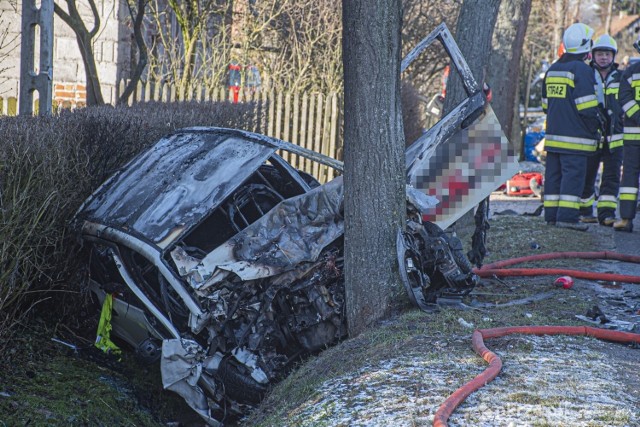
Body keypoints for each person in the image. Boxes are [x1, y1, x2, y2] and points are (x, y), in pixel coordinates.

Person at [542, 23, 602, 231]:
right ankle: (567, 218)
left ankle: (551, 216)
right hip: (576, 139)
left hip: (553, 137)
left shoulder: (553, 69)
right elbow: (586, 107)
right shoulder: (582, 70)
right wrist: (595, 127)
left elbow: (545, 105)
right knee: (573, 177)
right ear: (586, 46)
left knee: (553, 177)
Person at [578, 34, 623, 226]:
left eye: (607, 54)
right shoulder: (586, 75)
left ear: (613, 56)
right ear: (592, 55)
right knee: (588, 174)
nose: (603, 57)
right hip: (591, 134)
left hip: (615, 135)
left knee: (611, 177)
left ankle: (606, 214)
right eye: (600, 54)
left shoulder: (622, 77)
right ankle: (586, 211)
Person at [613, 36, 640, 232]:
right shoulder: (630, 72)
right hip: (633, 137)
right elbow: (623, 97)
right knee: (629, 178)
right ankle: (626, 218)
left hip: (633, 136)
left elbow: (625, 97)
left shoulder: (631, 73)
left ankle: (626, 219)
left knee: (629, 177)